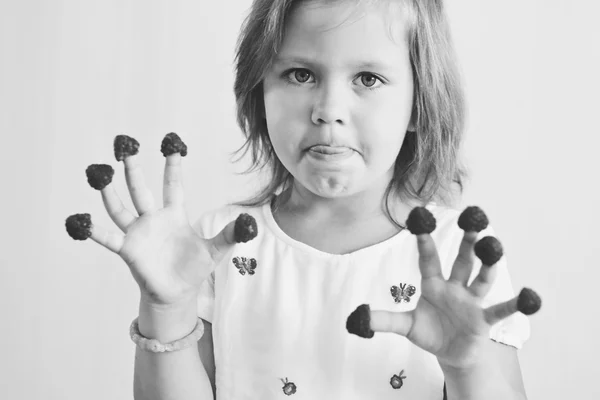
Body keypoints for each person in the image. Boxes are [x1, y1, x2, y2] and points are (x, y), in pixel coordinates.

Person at [72, 0, 538, 399]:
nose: (328, 110)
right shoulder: (218, 245)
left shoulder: (461, 254)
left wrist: (467, 365)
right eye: (300, 74)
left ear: (420, 103)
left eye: (368, 79)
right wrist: (167, 309)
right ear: (260, 90)